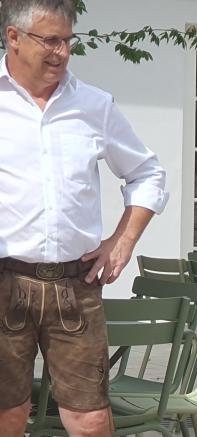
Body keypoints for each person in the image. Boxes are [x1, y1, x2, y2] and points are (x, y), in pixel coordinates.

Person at [0, 1, 169, 436]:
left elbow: (147, 172)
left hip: (76, 287)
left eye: (67, 41)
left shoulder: (94, 106)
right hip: (4, 282)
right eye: (49, 40)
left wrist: (122, 241)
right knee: (7, 417)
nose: (61, 52)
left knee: (91, 420)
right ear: (13, 37)